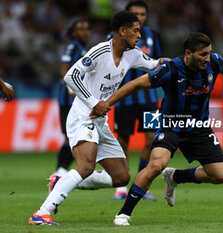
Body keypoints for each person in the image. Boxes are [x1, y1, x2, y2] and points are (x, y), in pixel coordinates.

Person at [91, 32, 223, 226]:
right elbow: (134, 85)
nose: (207, 58)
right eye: (203, 54)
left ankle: (175, 177)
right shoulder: (170, 70)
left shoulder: (213, 62)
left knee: (220, 175)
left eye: (209, 53)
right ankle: (124, 214)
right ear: (188, 53)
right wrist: (106, 103)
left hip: (199, 127)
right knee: (156, 165)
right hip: (171, 125)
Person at [29, 11, 167, 226]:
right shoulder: (99, 51)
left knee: (121, 177)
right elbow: (70, 76)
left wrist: (169, 62)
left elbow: (154, 64)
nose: (139, 35)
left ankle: (61, 181)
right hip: (83, 116)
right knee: (86, 166)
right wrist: (94, 102)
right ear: (122, 31)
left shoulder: (133, 54)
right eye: (136, 30)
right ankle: (41, 213)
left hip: (100, 120)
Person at [108, 0, 163, 201]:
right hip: (124, 99)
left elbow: (157, 64)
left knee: (151, 139)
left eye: (142, 14)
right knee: (123, 141)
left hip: (149, 98)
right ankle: (121, 187)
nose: (139, 17)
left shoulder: (152, 36)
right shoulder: (114, 38)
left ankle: (142, 184)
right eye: (135, 14)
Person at [53, 18, 91, 177]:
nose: (85, 32)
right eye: (81, 29)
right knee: (71, 136)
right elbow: (64, 70)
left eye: (87, 29)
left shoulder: (82, 48)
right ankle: (61, 170)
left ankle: (65, 170)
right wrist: (72, 90)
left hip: (78, 99)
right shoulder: (72, 47)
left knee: (76, 135)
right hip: (70, 99)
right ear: (73, 32)